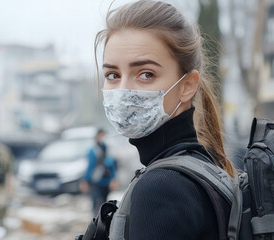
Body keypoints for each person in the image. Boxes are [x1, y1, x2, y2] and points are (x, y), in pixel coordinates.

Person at [94, 0, 236, 239]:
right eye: (113, 74)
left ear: (187, 85)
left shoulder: (162, 187)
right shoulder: (201, 167)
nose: (124, 91)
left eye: (146, 74)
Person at [80, 129, 117, 216]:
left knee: (104, 203)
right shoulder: (93, 151)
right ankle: (95, 223)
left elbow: (112, 166)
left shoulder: (107, 150)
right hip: (95, 181)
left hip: (106, 181)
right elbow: (90, 166)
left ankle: (102, 223)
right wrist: (85, 180)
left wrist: (113, 179)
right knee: (95, 203)